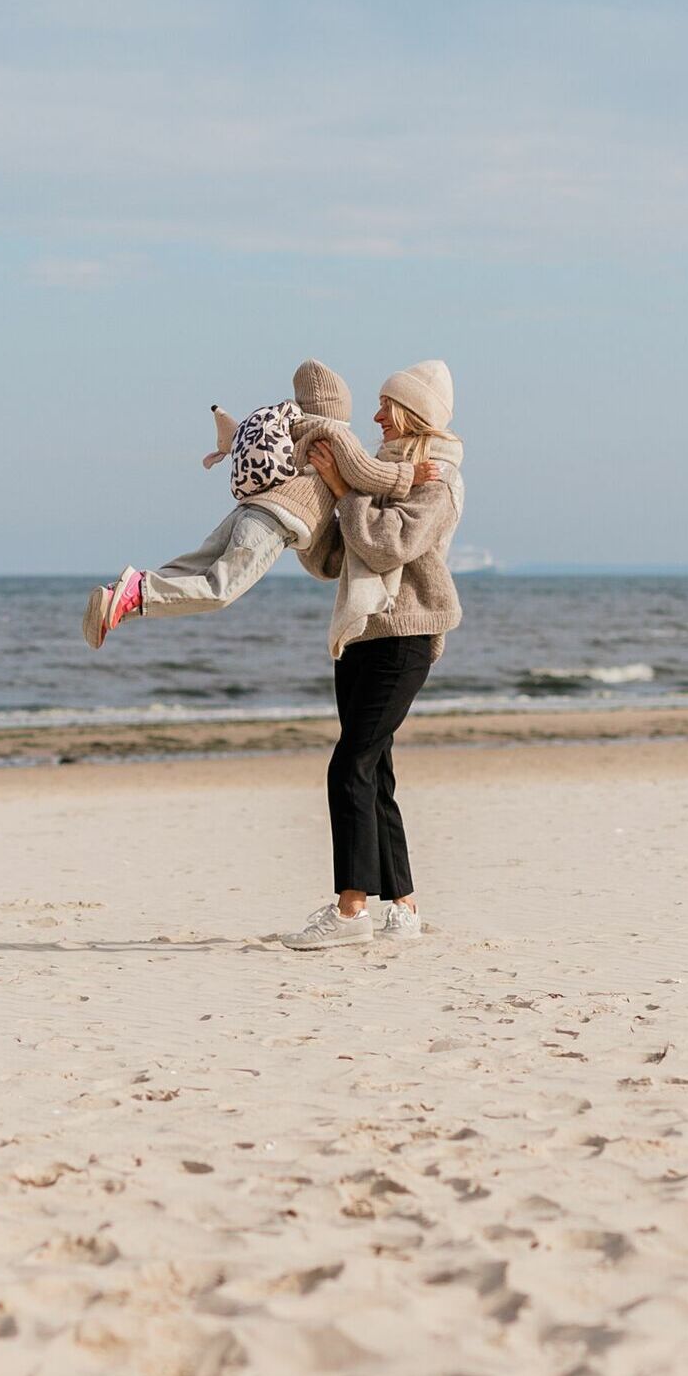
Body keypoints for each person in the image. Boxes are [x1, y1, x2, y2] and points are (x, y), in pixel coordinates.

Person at [278, 360, 466, 949]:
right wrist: (308, 509)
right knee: (376, 770)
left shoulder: (437, 479)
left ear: (414, 415)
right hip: (361, 633)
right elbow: (336, 558)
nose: (377, 416)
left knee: (350, 765)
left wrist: (341, 490)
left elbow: (387, 547)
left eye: (388, 406)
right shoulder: (377, 476)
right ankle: (403, 908)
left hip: (405, 634)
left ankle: (351, 911)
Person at [82, 360, 442, 649]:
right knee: (219, 590)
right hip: (273, 523)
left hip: (246, 512)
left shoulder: (289, 425)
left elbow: (233, 433)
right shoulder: (333, 434)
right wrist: (409, 475)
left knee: (193, 566)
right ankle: (136, 593)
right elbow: (366, 472)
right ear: (337, 408)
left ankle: (120, 600)